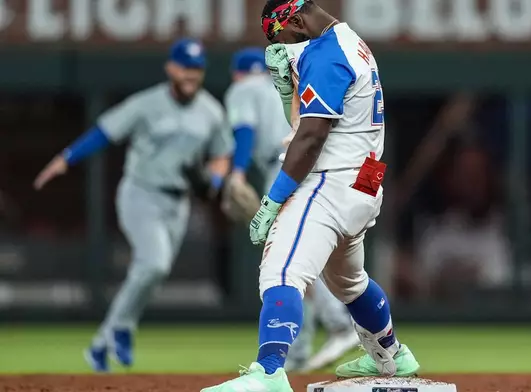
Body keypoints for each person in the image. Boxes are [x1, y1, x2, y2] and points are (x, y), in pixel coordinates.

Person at [201, 1, 419, 391]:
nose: (282, 46)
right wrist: (289, 93)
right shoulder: (350, 41)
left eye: (280, 35)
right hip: (365, 182)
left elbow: (312, 137)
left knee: (281, 271)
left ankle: (268, 373)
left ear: (297, 21)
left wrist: (273, 200)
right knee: (349, 282)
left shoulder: (326, 54)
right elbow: (310, 124)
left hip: (329, 182)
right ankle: (391, 355)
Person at [33, 38, 233, 373]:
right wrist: (66, 158)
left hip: (179, 203)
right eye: (185, 67)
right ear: (171, 67)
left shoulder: (211, 111)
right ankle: (121, 329)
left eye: (196, 69)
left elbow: (222, 155)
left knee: (153, 270)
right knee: (153, 264)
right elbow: (104, 132)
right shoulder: (146, 103)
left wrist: (214, 180)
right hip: (141, 193)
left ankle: (102, 342)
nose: (190, 75)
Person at [225, 47, 359, 372]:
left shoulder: (242, 89)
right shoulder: (286, 85)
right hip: (317, 164)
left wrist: (238, 171)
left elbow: (245, 132)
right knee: (301, 260)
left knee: (289, 258)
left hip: (284, 168)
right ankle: (298, 352)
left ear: (237, 73)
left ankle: (340, 325)